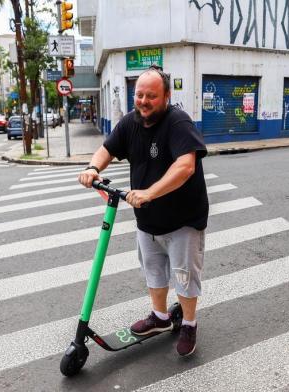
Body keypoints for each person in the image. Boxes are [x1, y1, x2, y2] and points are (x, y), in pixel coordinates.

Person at [78, 65, 208, 357]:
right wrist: (92, 167)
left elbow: (186, 166)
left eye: (151, 95)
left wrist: (149, 192)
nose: (144, 101)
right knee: (153, 271)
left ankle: (188, 323)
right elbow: (107, 148)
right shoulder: (130, 122)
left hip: (183, 220)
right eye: (139, 94)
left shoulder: (178, 122)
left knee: (184, 276)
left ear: (165, 96)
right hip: (148, 220)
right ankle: (160, 318)